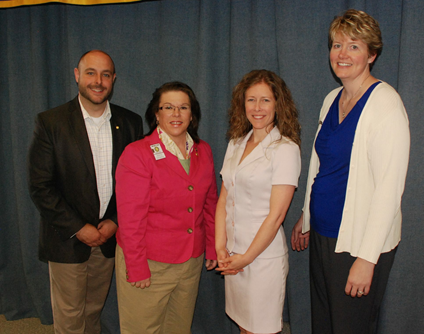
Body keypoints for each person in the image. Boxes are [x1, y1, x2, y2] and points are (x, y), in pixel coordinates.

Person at [291, 9, 410, 334]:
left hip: (358, 242)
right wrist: (307, 216)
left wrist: (367, 258)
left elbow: (389, 188)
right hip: (323, 234)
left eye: (353, 46)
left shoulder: (385, 103)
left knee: (350, 327)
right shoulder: (332, 98)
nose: (342, 54)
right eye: (336, 45)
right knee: (325, 324)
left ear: (372, 54)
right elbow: (322, 165)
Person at [27, 50, 143, 334]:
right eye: (91, 73)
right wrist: (79, 228)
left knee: (92, 312)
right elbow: (40, 186)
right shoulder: (51, 122)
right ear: (77, 75)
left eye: (105, 75)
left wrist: (115, 221)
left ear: (113, 79)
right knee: (69, 319)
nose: (98, 81)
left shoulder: (130, 123)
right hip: (67, 238)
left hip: (107, 238)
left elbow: (136, 184)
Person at [114, 81, 218, 334]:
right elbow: (130, 219)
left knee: (178, 328)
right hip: (150, 262)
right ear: (156, 114)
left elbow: (210, 205)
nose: (176, 113)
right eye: (168, 107)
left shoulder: (203, 151)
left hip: (190, 262)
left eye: (183, 107)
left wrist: (214, 246)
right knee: (142, 329)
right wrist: (136, 266)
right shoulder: (137, 154)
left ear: (192, 114)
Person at [216, 70, 301, 334]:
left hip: (262, 259)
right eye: (251, 100)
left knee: (261, 329)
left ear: (278, 104)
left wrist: (246, 258)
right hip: (232, 255)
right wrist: (221, 248)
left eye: (265, 100)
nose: (257, 107)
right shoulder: (236, 143)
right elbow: (224, 198)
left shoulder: (285, 149)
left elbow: (276, 216)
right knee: (244, 327)